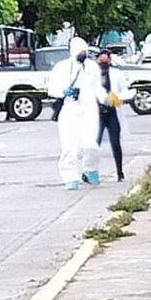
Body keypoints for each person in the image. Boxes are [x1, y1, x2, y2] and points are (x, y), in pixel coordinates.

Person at [45, 37, 102, 190]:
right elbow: (52, 89)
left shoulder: (92, 67)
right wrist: (64, 91)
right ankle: (70, 177)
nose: (83, 54)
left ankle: (90, 169)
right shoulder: (62, 67)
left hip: (89, 109)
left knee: (91, 145)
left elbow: (98, 89)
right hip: (70, 109)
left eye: (85, 51)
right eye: (80, 52)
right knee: (69, 147)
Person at [93, 47, 133, 182]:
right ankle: (91, 171)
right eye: (101, 59)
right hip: (97, 112)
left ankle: (119, 171)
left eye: (106, 59)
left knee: (115, 143)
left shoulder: (117, 74)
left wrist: (117, 97)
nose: (104, 61)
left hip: (112, 112)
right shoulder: (92, 75)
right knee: (94, 144)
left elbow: (125, 91)